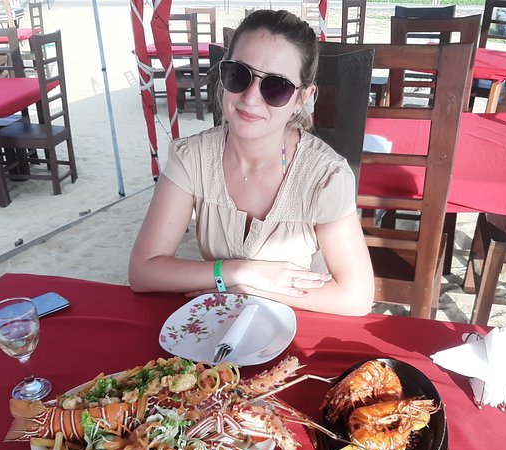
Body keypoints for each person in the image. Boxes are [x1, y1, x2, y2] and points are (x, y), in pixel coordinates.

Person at [129, 9, 374, 316]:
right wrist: (239, 272)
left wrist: (250, 287)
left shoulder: (325, 176)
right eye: (239, 74)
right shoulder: (192, 158)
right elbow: (143, 271)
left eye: (276, 86)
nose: (250, 98)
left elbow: (357, 297)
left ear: (302, 98)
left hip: (295, 324)